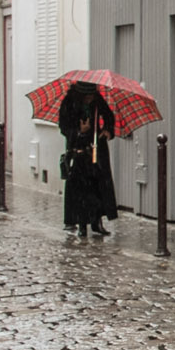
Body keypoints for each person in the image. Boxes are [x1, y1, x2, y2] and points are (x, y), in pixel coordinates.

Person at [57, 82, 118, 237]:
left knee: (97, 187)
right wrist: (79, 131)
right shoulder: (69, 103)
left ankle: (97, 221)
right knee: (80, 189)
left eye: (92, 96)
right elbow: (63, 127)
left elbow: (109, 117)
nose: (90, 99)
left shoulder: (98, 102)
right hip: (78, 149)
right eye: (87, 97)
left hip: (96, 148)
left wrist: (107, 131)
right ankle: (81, 223)